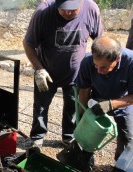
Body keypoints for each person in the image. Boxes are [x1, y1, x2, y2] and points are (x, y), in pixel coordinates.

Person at [23, 0, 103, 148]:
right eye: (63, 9)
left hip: (75, 73)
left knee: (72, 107)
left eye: (72, 9)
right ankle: (37, 136)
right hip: (47, 72)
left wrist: (94, 68)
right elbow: (28, 44)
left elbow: (99, 41)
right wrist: (39, 69)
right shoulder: (43, 13)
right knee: (41, 106)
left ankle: (69, 137)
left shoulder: (91, 9)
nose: (67, 12)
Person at [77, 36, 133, 161]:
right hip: (97, 100)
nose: (98, 70)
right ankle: (86, 159)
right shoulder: (87, 62)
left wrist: (111, 104)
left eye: (104, 67)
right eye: (96, 65)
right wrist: (82, 116)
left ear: (117, 59)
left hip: (123, 101)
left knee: (126, 138)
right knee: (89, 132)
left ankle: (120, 167)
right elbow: (84, 91)